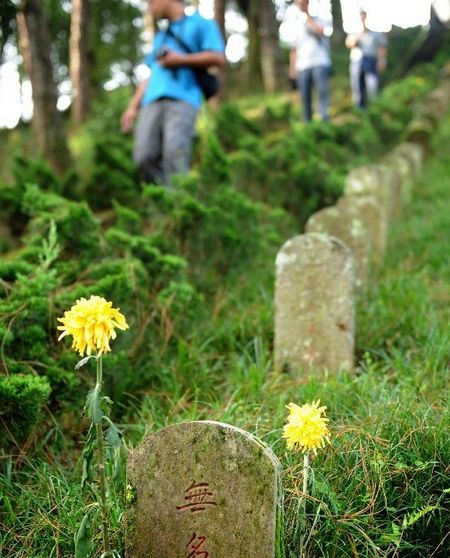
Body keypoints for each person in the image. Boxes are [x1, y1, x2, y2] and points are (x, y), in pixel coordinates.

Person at [121, 0, 225, 185]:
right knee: (143, 156)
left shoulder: (201, 23)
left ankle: (178, 206)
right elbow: (150, 73)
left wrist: (181, 59)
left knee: (175, 154)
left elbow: (217, 57)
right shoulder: (161, 36)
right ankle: (163, 201)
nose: (150, 8)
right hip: (151, 101)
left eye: (152, 3)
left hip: (184, 98)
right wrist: (132, 107)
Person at [289, 0, 333, 122]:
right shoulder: (295, 25)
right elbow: (293, 49)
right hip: (302, 66)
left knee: (322, 93)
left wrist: (307, 18)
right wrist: (292, 69)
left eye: (303, 3)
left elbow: (321, 33)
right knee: (304, 97)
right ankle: (308, 126)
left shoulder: (320, 19)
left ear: (308, 3)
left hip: (320, 62)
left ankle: (325, 122)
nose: (301, 6)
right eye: (298, 4)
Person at [345, 11, 387, 109]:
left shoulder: (376, 33)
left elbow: (381, 47)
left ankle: (374, 108)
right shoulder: (354, 32)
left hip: (371, 61)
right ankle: (359, 110)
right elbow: (349, 44)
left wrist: (382, 61)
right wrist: (358, 36)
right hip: (356, 62)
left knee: (371, 86)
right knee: (357, 88)